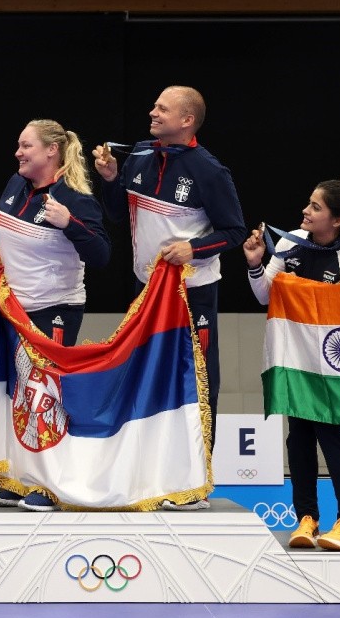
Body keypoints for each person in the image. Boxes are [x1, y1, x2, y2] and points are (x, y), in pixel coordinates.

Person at [93, 85, 247, 510]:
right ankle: (153, 476)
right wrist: (109, 179)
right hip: (147, 293)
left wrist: (192, 249)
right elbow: (117, 211)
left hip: (193, 295)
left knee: (197, 383)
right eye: (154, 104)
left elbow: (234, 231)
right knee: (149, 379)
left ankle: (194, 484)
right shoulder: (141, 156)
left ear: (187, 121)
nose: (152, 111)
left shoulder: (209, 170)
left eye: (163, 107)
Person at [243, 180, 340, 551]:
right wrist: (256, 263)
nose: (305, 211)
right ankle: (306, 519)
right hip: (294, 358)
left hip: (331, 365)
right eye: (308, 204)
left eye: (315, 207)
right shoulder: (290, 242)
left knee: (331, 435)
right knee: (299, 438)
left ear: (337, 220)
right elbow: (265, 296)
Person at [0, 119, 111, 512]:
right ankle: (23, 478)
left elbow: (102, 255)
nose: (18, 153)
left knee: (47, 396)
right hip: (13, 309)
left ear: (51, 152)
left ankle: (52, 485)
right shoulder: (14, 185)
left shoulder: (75, 199)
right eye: (19, 146)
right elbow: (0, 235)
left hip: (55, 310)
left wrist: (68, 224)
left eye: (26, 146)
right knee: (21, 394)